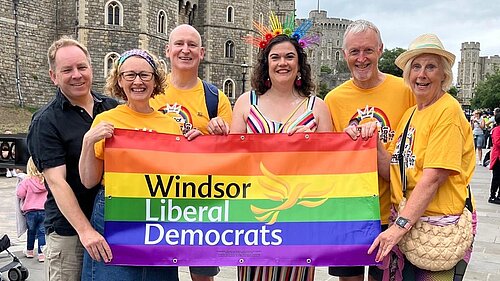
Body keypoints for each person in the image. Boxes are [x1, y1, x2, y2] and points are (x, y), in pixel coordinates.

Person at [348, 33, 476, 281]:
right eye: (415, 67)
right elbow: (393, 171)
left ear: (444, 75)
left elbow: (433, 179)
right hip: (411, 227)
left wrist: (397, 228)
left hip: (436, 230)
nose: (422, 74)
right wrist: (371, 145)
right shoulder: (411, 114)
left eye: (431, 67)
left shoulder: (447, 112)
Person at [79, 49, 202, 281]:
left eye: (145, 75)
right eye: (130, 75)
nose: (138, 81)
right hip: (115, 214)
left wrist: (195, 147)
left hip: (158, 216)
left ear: (155, 80)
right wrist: (88, 142)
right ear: (119, 81)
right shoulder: (106, 120)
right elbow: (89, 180)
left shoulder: (170, 125)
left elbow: (181, 178)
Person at [231, 32, 333, 280]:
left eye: (289, 56)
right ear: (266, 64)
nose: (282, 63)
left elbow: (332, 164)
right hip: (254, 213)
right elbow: (231, 160)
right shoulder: (246, 103)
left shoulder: (317, 107)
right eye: (275, 57)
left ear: (299, 64)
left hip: (299, 214)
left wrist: (312, 146)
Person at [323, 19, 415, 281]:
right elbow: (328, 162)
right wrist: (344, 143)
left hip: (391, 211)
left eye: (368, 51)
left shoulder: (405, 90)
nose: (361, 59)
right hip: (349, 211)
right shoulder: (334, 100)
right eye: (354, 52)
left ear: (381, 50)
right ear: (344, 55)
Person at [27, 36, 118, 281]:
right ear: (53, 76)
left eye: (82, 67)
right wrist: (85, 231)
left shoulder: (113, 108)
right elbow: (57, 183)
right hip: (71, 233)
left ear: (91, 68)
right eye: (67, 70)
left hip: (113, 225)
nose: (77, 75)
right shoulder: (46, 121)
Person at [149, 23, 232, 281]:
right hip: (157, 200)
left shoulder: (215, 98)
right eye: (179, 44)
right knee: (157, 274)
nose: (185, 50)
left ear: (202, 52)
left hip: (202, 203)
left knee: (202, 276)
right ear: (167, 50)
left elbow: (232, 156)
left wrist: (218, 137)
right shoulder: (149, 94)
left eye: (192, 45)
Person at [16, 156, 48, 262]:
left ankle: (30, 250)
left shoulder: (27, 181)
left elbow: (20, 193)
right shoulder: (46, 180)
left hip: (30, 211)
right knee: (42, 232)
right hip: (44, 210)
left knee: (31, 231)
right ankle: (42, 253)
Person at [489, 112, 500, 204]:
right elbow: (497, 142)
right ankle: (492, 196)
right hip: (498, 157)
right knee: (496, 177)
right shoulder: (497, 129)